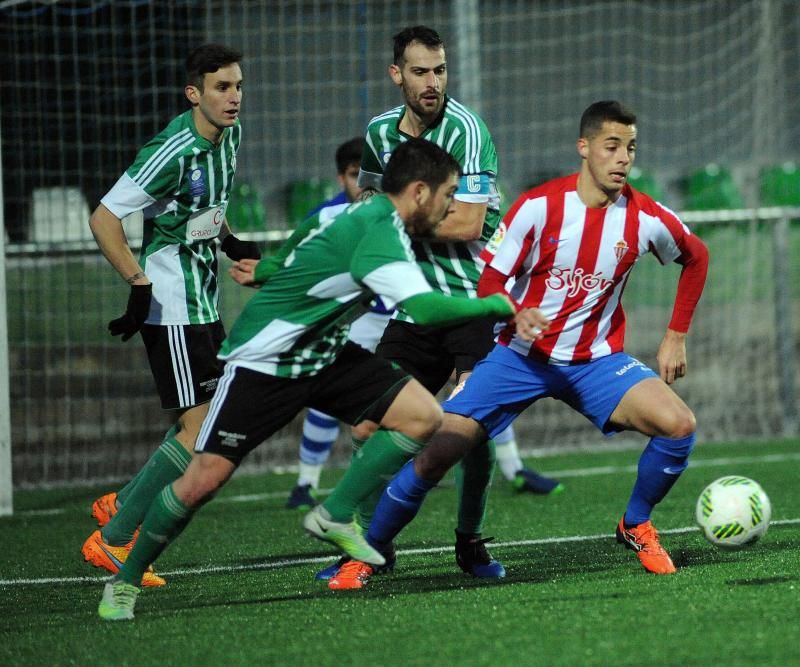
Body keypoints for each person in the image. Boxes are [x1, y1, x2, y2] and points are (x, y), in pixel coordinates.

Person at [96, 138, 520, 621]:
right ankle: (123, 583)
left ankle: (335, 513)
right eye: (447, 196)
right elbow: (423, 308)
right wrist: (496, 306)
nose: (451, 208)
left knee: (422, 415)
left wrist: (270, 269)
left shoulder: (356, 212)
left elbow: (308, 233)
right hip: (267, 361)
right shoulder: (379, 231)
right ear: (420, 191)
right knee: (202, 480)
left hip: (325, 352)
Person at [329, 100, 710, 590]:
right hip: (517, 359)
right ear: (584, 148)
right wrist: (514, 310)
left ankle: (635, 523)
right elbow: (489, 279)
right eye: (611, 146)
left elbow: (696, 257)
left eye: (630, 148)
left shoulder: (645, 217)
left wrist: (675, 335)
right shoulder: (538, 208)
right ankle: (367, 556)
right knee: (434, 453)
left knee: (679, 425)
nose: (622, 158)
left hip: (595, 363)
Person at [316, 24, 561, 589]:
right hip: (413, 302)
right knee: (371, 425)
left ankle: (469, 540)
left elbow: (470, 222)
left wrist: (402, 217)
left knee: (467, 427)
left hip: (472, 299)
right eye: (421, 72)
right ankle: (370, 545)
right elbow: (372, 205)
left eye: (441, 71)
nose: (433, 83)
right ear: (396, 74)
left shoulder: (467, 130)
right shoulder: (379, 132)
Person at [82, 44, 260, 588]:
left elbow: (205, 208)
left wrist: (230, 244)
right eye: (221, 88)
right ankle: (112, 543)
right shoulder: (171, 148)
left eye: (237, 86)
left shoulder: (226, 137)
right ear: (194, 94)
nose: (233, 98)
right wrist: (137, 282)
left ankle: (121, 506)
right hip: (171, 304)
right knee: (200, 426)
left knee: (201, 423)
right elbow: (104, 217)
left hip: (204, 298)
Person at [280, 136, 400, 511]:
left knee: (466, 381)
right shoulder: (327, 217)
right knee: (329, 396)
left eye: (373, 176)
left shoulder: (394, 213)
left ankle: (511, 468)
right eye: (355, 175)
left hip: (399, 315)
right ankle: (306, 483)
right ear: (340, 178)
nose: (364, 185)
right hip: (356, 320)